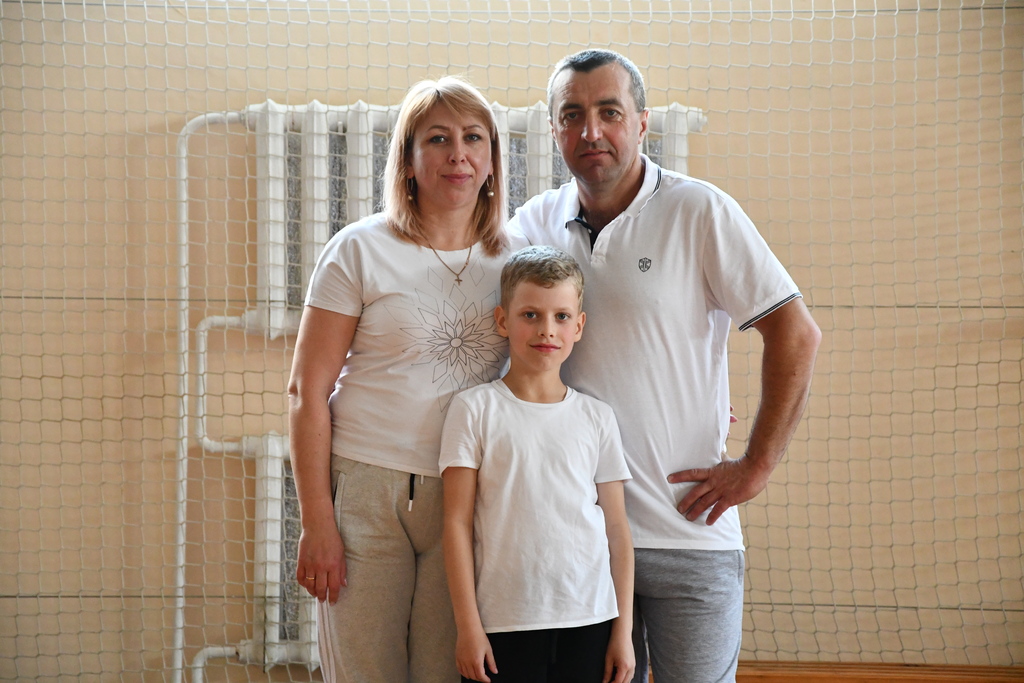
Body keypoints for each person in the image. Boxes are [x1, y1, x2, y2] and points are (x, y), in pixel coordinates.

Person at [510, 50, 822, 683]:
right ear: (554, 129)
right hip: (585, 540)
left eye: (609, 112)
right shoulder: (535, 222)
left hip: (691, 533)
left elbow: (796, 333)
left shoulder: (699, 210)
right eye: (572, 115)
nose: (591, 131)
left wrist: (756, 465)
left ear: (643, 122)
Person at [287, 76, 526, 683]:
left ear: (492, 160)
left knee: (451, 671)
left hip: (470, 493)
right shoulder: (359, 249)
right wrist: (316, 521)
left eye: (473, 138)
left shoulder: (519, 260)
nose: (458, 154)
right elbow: (307, 392)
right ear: (409, 160)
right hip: (366, 492)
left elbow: (555, 366)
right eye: (438, 139)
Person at [440, 245, 635, 683]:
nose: (547, 329)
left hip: (591, 618)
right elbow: (456, 523)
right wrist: (468, 628)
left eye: (561, 316)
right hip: (504, 622)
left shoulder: (597, 417)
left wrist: (622, 632)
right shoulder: (473, 409)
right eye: (530, 314)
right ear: (502, 320)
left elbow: (617, 528)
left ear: (578, 326)